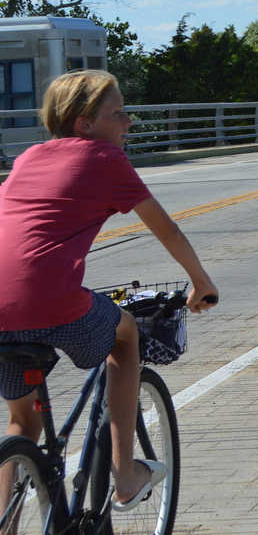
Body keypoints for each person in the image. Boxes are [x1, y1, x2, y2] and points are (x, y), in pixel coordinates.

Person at [0, 70, 218, 513]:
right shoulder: (104, 157)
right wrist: (201, 282)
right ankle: (123, 473)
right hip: (51, 299)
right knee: (125, 335)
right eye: (118, 113)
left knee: (22, 421)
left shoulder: (28, 157)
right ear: (85, 124)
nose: (128, 122)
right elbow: (167, 231)